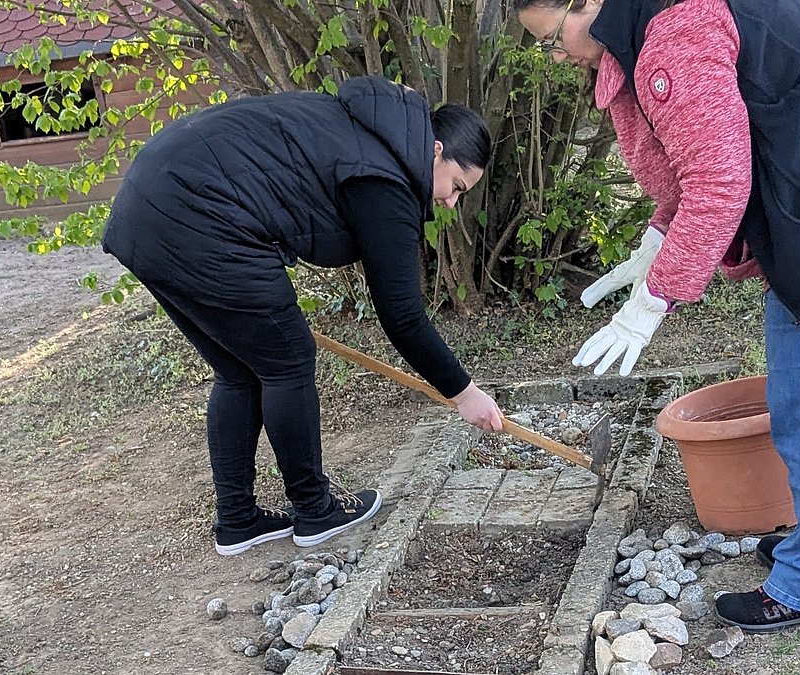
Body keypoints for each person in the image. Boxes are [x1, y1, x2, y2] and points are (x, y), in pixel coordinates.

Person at [516, 0, 800, 632]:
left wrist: (651, 305)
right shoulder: (648, 22)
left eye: (553, 37)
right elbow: (705, 155)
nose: (556, 55)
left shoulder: (672, 38)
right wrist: (656, 244)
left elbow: (719, 182)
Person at [102, 76, 505, 556]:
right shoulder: (386, 179)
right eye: (456, 185)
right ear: (435, 150)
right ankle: (315, 511)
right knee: (288, 362)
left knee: (238, 371)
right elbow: (401, 316)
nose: (450, 203)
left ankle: (238, 521)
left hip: (145, 212)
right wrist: (464, 393)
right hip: (202, 218)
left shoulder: (369, 133)